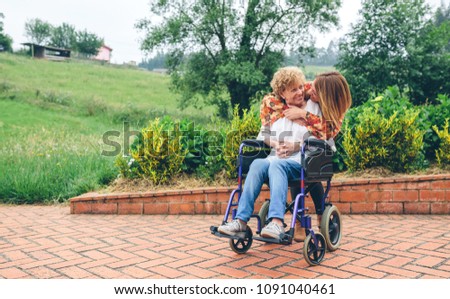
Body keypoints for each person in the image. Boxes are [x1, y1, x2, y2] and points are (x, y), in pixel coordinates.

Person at [218, 70, 352, 242]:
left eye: (301, 88)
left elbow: (325, 137)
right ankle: (240, 222)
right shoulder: (277, 110)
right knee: (258, 164)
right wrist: (276, 144)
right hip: (278, 158)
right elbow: (264, 133)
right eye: (294, 89)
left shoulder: (318, 109)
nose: (303, 92)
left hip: (302, 161)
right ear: (282, 93)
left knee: (277, 165)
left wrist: (297, 140)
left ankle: (277, 222)